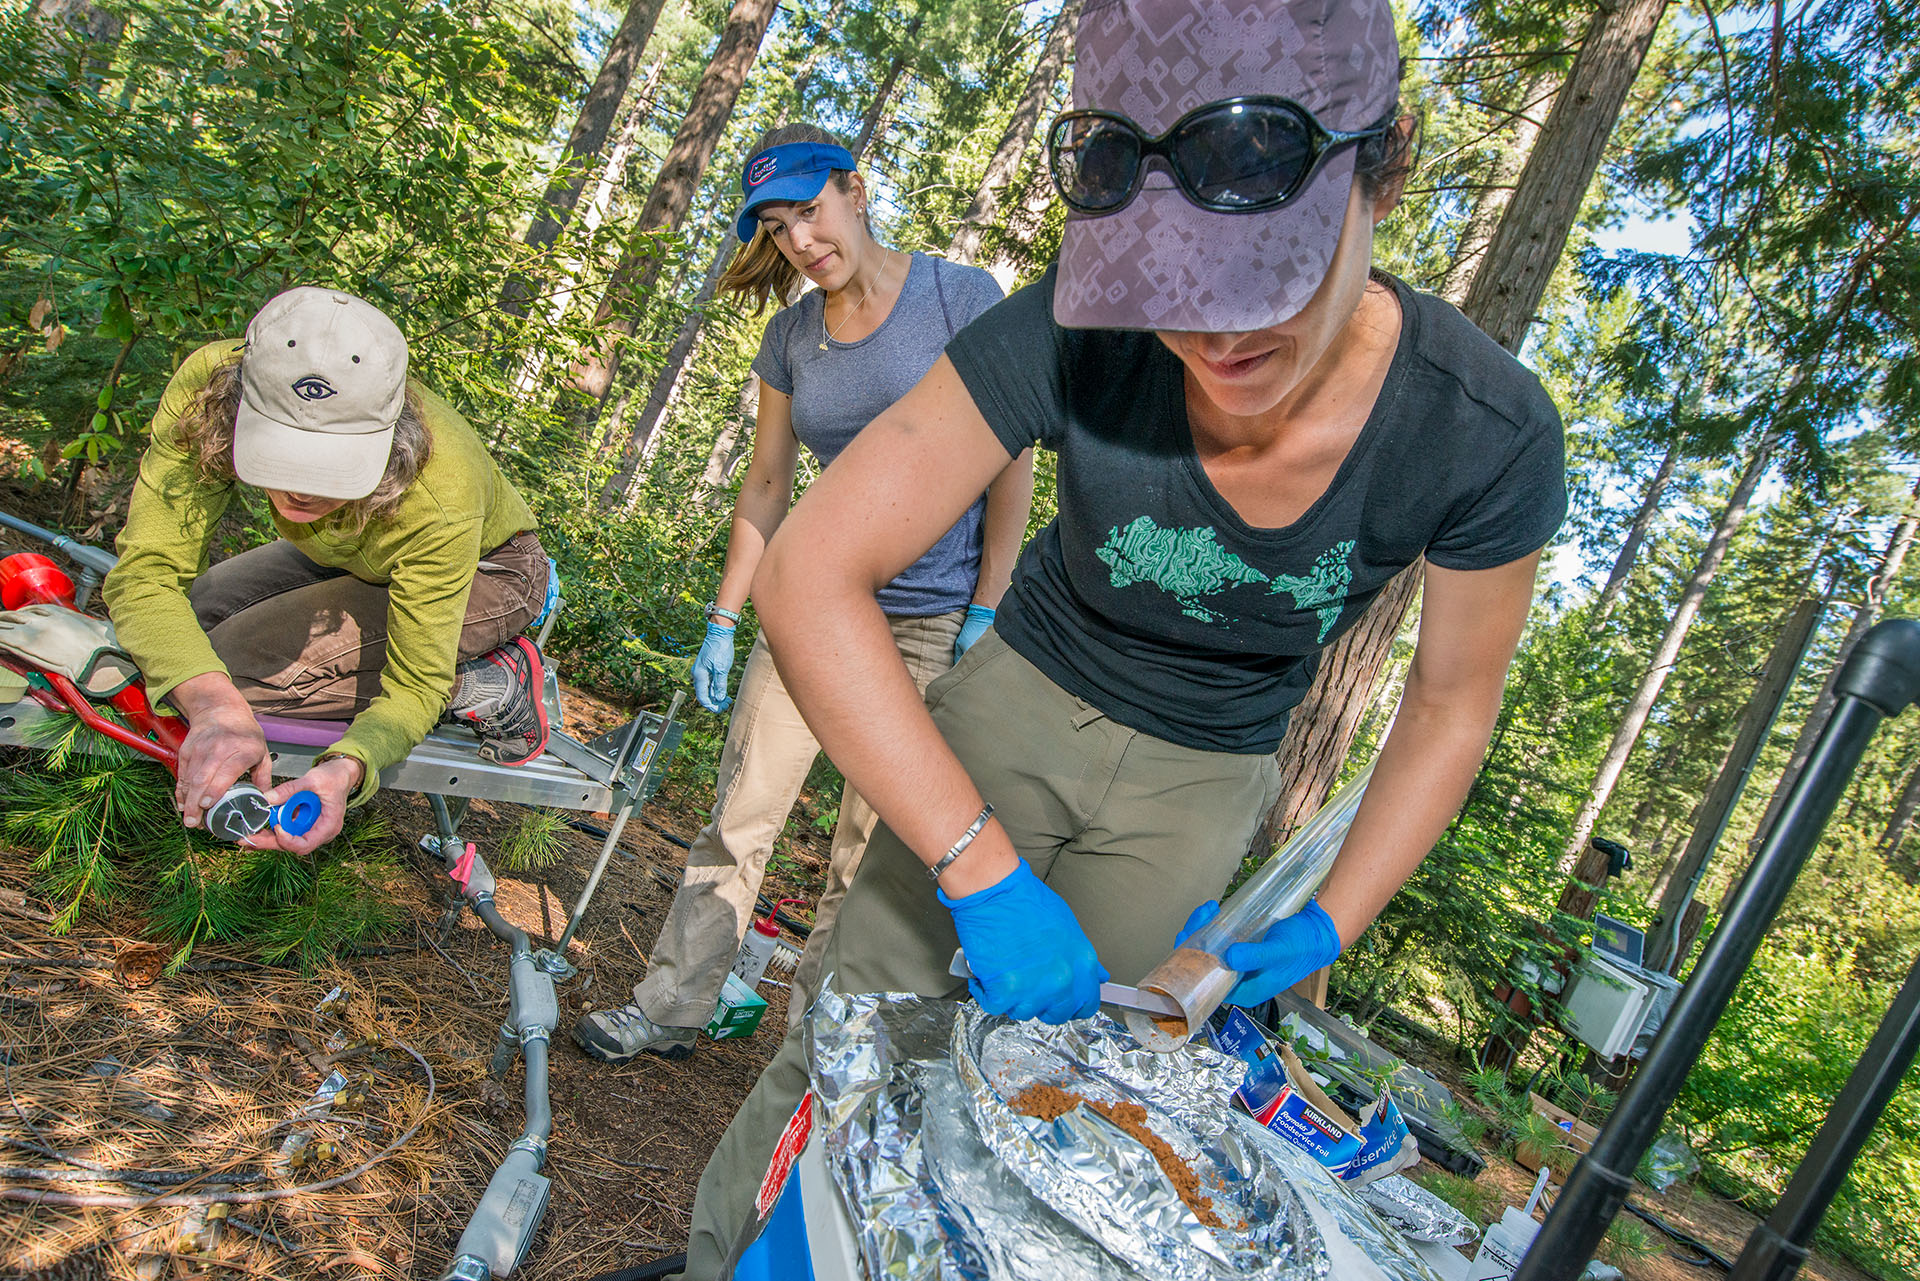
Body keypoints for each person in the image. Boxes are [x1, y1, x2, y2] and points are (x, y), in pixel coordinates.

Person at [670, 0, 1568, 1272]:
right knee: (856, 1036)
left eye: (1267, 277)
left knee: (1065, 1098)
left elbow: (1448, 707)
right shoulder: (1072, 323)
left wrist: (1332, 923)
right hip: (1018, 699)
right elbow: (812, 572)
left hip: (1206, 771)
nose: (1214, 336)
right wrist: (973, 863)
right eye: (1170, 286)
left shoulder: (1483, 430)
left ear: (1384, 171)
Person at [570, 125, 1029, 1065]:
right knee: (741, 810)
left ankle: (815, 1050)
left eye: (810, 212)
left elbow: (1009, 463)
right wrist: (725, 617)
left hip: (931, 619)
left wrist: (989, 604)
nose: (801, 242)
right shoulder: (793, 335)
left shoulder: (958, 297)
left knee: (871, 853)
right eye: (777, 229)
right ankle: (671, 1004)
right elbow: (768, 484)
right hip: (809, 608)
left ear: (854, 191)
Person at [103, 287, 553, 855]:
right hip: (345, 552)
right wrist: (211, 706)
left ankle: (491, 686)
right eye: (283, 456)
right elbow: (147, 572)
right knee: (192, 630)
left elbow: (414, 685)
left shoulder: (441, 487)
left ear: (390, 445)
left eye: (328, 470)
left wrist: (347, 767)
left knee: (245, 677)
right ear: (240, 406)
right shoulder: (206, 392)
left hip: (489, 572)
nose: (297, 490)